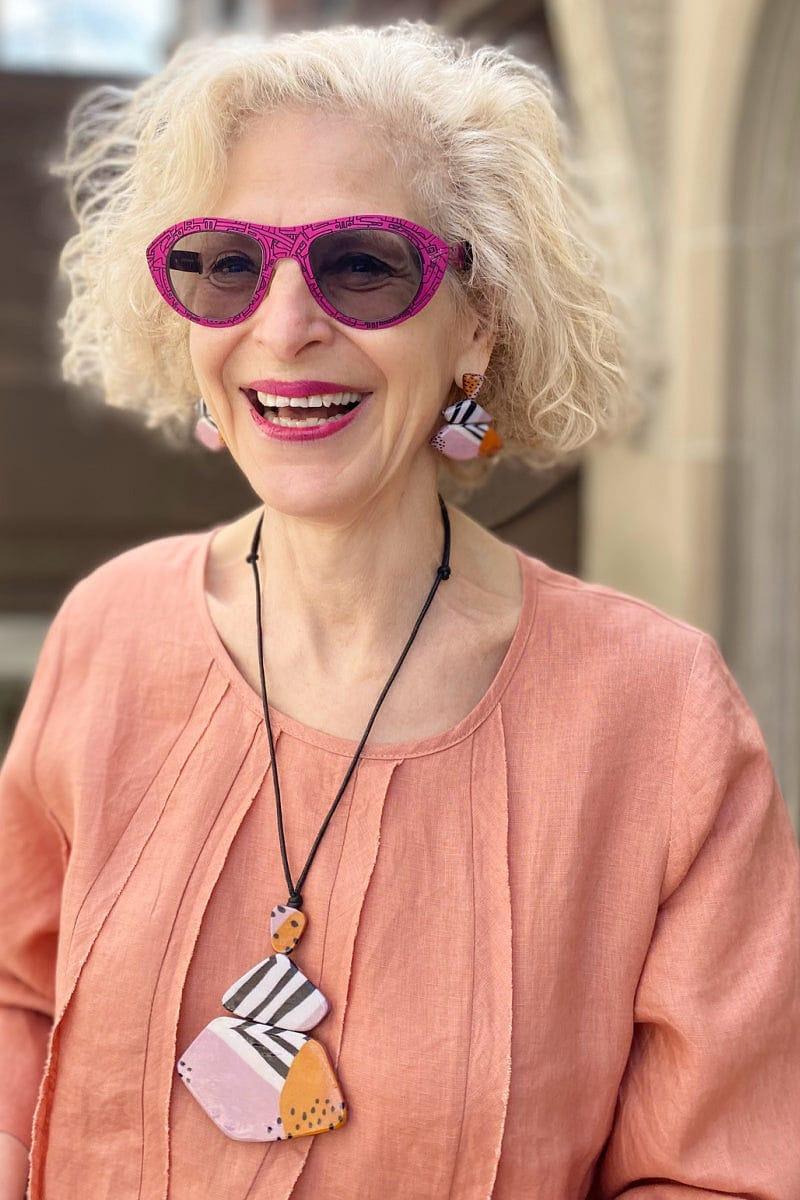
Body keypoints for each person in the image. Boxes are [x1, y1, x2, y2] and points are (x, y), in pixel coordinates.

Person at [1, 18, 799, 1200]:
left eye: (363, 264)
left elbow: (716, 1170)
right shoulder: (110, 630)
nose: (282, 326)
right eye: (226, 262)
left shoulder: (658, 715)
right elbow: (18, 1010)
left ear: (477, 324)